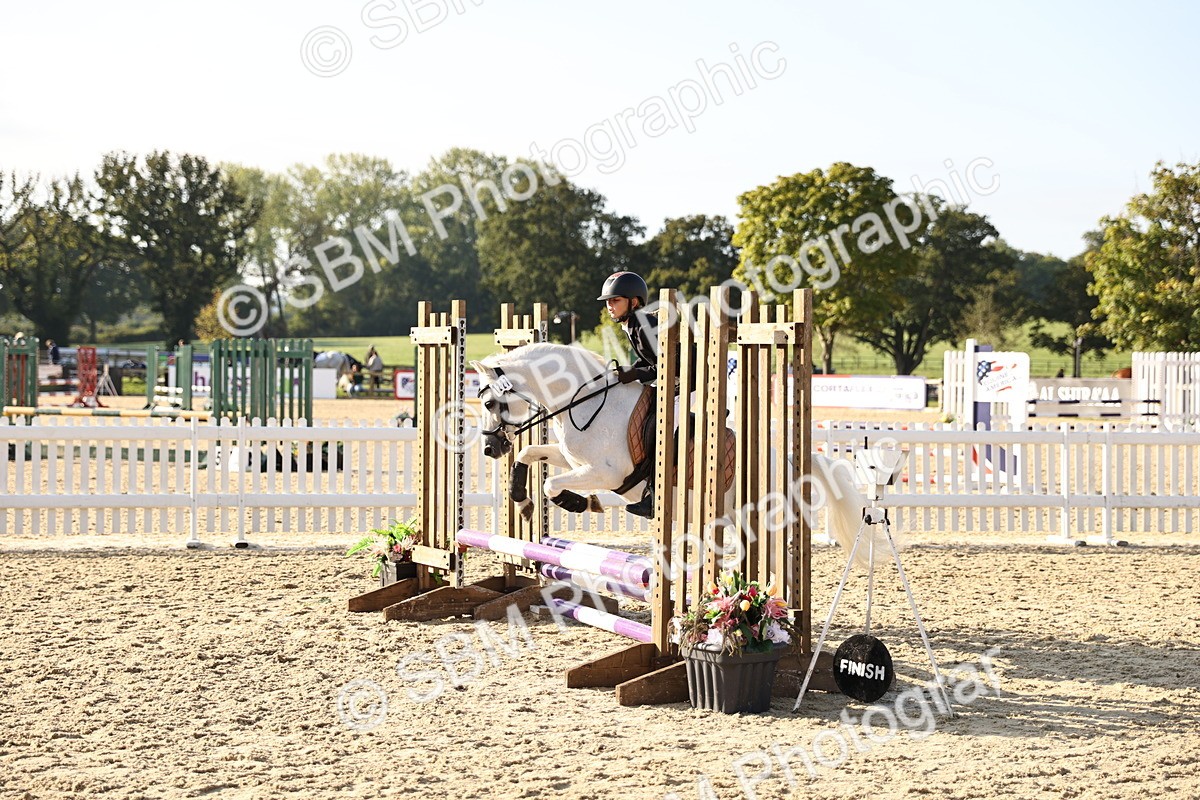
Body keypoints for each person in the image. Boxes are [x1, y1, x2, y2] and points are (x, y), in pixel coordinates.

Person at [597, 271, 658, 518]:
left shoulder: (644, 325)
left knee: (658, 429)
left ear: (633, 301)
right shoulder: (632, 325)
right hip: (671, 383)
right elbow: (650, 363)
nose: (610, 306)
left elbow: (667, 365)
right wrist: (628, 372)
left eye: (616, 300)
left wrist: (635, 373)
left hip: (692, 384)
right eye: (608, 302)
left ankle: (655, 494)